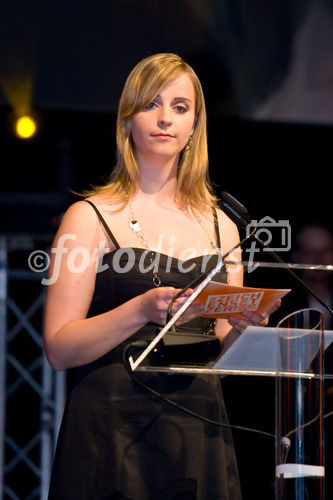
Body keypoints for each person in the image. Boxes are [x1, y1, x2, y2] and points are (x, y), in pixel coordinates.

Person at [44, 53, 280, 500]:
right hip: (110, 431)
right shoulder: (89, 217)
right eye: (151, 103)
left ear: (194, 126)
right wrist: (138, 310)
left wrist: (248, 329)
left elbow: (225, 355)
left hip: (197, 430)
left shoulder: (222, 225)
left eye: (180, 107)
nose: (165, 118)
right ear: (128, 117)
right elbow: (59, 348)